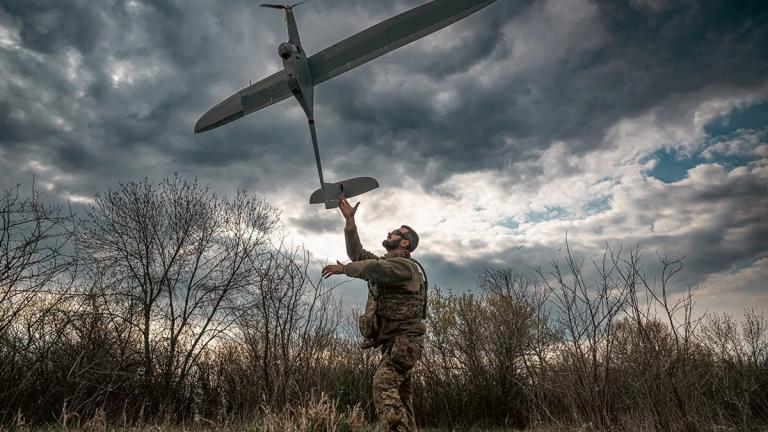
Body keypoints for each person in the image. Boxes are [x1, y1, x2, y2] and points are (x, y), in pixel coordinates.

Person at [322, 195, 427, 432]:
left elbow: (373, 268)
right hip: (396, 344)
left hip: (405, 342)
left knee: (383, 385)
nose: (390, 233)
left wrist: (344, 270)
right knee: (402, 399)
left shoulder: (405, 266)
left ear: (405, 244)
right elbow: (358, 255)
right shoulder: (388, 264)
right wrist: (350, 222)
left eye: (396, 232)